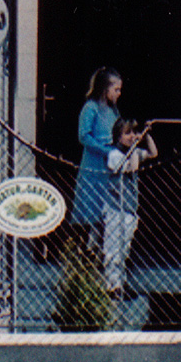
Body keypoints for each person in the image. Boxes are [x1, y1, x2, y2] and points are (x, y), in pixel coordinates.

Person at [101, 117, 157, 298]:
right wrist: (135, 147)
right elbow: (132, 167)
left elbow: (153, 153)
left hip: (130, 209)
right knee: (112, 249)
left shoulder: (133, 151)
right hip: (115, 208)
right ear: (118, 136)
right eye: (127, 133)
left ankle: (119, 284)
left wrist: (146, 136)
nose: (132, 136)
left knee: (123, 249)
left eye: (133, 132)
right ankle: (111, 286)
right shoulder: (114, 155)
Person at [70, 67, 122, 245]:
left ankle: (101, 251)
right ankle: (86, 252)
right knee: (92, 210)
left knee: (107, 210)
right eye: (116, 89)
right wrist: (106, 150)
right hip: (94, 164)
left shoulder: (113, 110)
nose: (118, 93)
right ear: (104, 88)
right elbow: (84, 136)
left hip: (110, 165)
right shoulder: (90, 108)